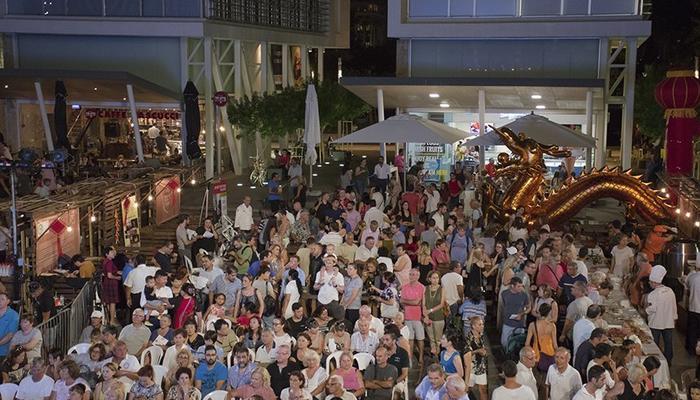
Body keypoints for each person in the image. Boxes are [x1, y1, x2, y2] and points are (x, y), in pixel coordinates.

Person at [646, 265, 677, 364]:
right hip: (668, 322)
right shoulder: (670, 291)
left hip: (655, 323)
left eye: (650, 282)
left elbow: (651, 310)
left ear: (654, 282)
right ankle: (668, 362)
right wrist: (674, 319)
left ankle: (655, 362)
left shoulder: (652, 295)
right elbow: (674, 307)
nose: (649, 284)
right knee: (668, 343)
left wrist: (645, 309)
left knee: (654, 344)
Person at [400, 268, 425, 366]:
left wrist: (407, 302)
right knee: (409, 338)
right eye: (410, 274)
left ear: (418, 276)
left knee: (420, 338)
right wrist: (412, 302)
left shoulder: (421, 287)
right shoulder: (405, 287)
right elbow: (401, 301)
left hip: (418, 316)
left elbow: (417, 302)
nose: (412, 276)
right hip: (407, 316)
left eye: (414, 274)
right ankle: (409, 358)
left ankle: (421, 357)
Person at [525, 302, 557, 373]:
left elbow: (527, 344)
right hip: (550, 354)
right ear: (549, 313)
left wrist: (531, 354)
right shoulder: (552, 326)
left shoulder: (532, 325)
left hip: (536, 354)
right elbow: (555, 345)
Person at [500, 276, 531, 349]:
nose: (521, 288)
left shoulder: (524, 295)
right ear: (512, 286)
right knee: (504, 343)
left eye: (521, 286)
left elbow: (529, 307)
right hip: (507, 323)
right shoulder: (504, 293)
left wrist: (522, 314)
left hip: (519, 324)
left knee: (517, 345)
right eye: (518, 286)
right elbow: (504, 305)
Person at [101, 246, 121, 325]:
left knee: (109, 302)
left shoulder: (105, 261)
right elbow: (109, 275)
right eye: (111, 252)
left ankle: (110, 319)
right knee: (112, 302)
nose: (113, 253)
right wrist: (117, 277)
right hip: (111, 283)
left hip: (106, 282)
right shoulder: (109, 262)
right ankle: (112, 320)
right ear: (107, 254)